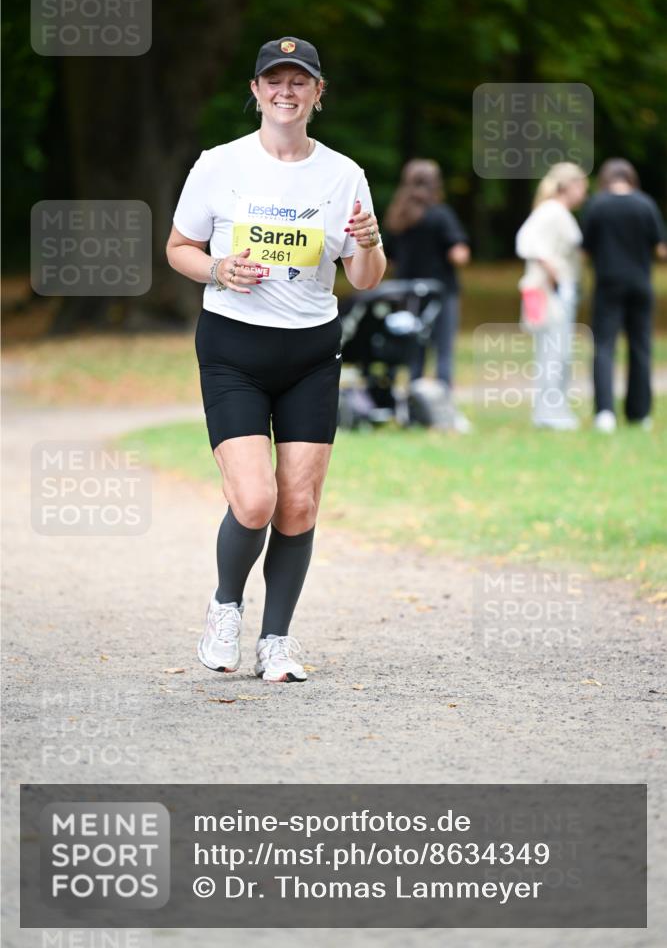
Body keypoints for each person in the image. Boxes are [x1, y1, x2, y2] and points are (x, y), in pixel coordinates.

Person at [166, 36, 385, 683]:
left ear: (318, 93)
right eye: (274, 81)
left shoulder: (343, 174)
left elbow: (365, 276)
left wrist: (369, 244)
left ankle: (277, 642)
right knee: (256, 500)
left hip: (311, 350)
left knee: (299, 506)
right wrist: (216, 267)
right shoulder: (218, 164)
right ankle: (225, 607)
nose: (285, 92)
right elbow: (179, 246)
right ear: (256, 91)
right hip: (233, 345)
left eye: (300, 82)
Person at [581, 158, 667, 432]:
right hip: (641, 284)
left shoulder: (597, 205)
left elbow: (585, 250)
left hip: (608, 284)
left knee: (604, 347)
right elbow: (661, 249)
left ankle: (605, 412)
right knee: (640, 347)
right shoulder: (645, 204)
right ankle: (639, 413)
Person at [383, 160, 470, 399]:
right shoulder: (441, 214)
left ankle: (413, 396)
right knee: (443, 348)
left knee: (414, 347)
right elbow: (459, 254)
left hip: (407, 292)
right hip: (441, 291)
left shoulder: (397, 216)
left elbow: (388, 258)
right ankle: (443, 397)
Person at [515, 162, 588, 430]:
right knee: (552, 352)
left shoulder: (556, 212)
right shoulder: (552, 211)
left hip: (555, 291)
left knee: (558, 352)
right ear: (568, 186)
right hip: (548, 292)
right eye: (581, 186)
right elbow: (526, 240)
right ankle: (549, 412)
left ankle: (553, 409)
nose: (584, 193)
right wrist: (554, 273)